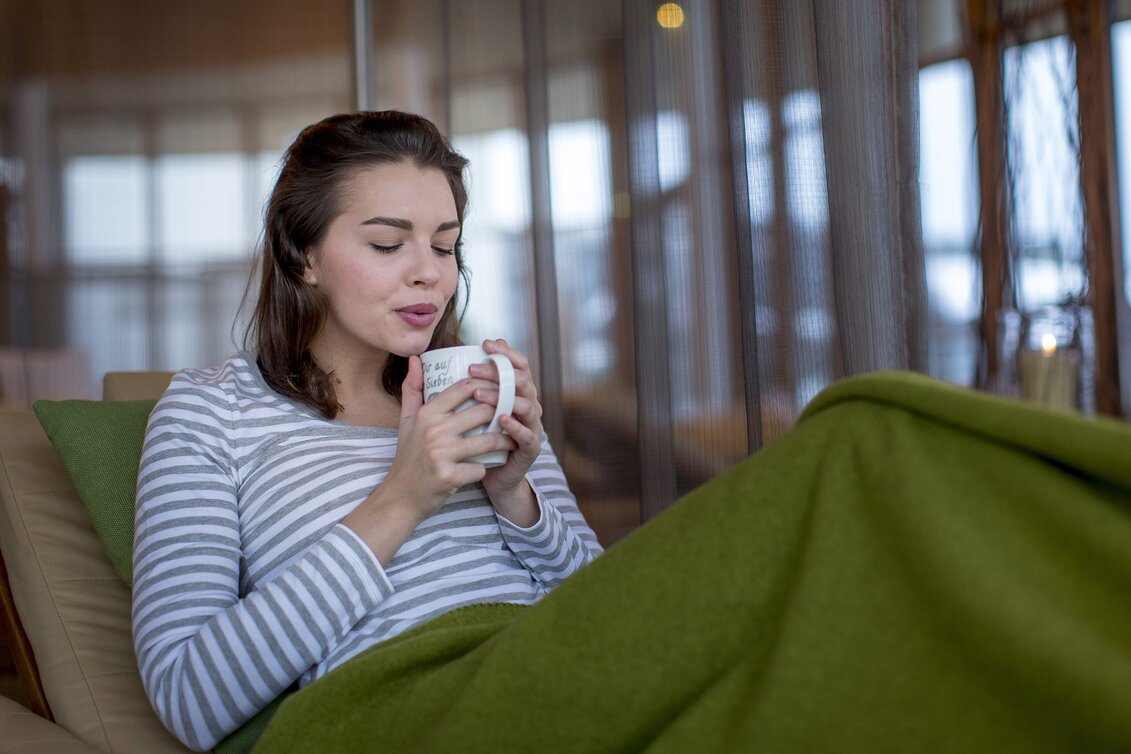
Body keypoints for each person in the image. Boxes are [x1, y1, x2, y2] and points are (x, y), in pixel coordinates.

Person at [131, 111, 604, 752]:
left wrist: (515, 497)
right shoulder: (211, 412)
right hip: (406, 706)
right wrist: (401, 499)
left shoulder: (475, 389)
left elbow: (604, 608)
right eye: (387, 244)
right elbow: (188, 697)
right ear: (302, 255)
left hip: (561, 672)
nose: (429, 273)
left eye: (445, 246)